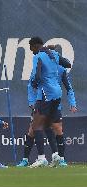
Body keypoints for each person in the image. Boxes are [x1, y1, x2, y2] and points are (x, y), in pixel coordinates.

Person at [17, 61, 77, 167]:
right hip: (41, 103)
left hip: (54, 104)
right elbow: (30, 85)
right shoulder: (38, 68)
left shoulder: (61, 69)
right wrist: (31, 101)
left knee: (57, 128)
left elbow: (68, 87)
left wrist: (72, 102)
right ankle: (26, 160)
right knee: (32, 130)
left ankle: (61, 159)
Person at [27, 37, 63, 168]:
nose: (30, 50)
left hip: (44, 95)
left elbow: (36, 77)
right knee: (47, 125)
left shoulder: (38, 56)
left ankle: (41, 158)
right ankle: (56, 156)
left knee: (37, 125)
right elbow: (67, 64)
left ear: (34, 45)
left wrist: (35, 83)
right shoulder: (53, 56)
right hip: (56, 95)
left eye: (30, 47)